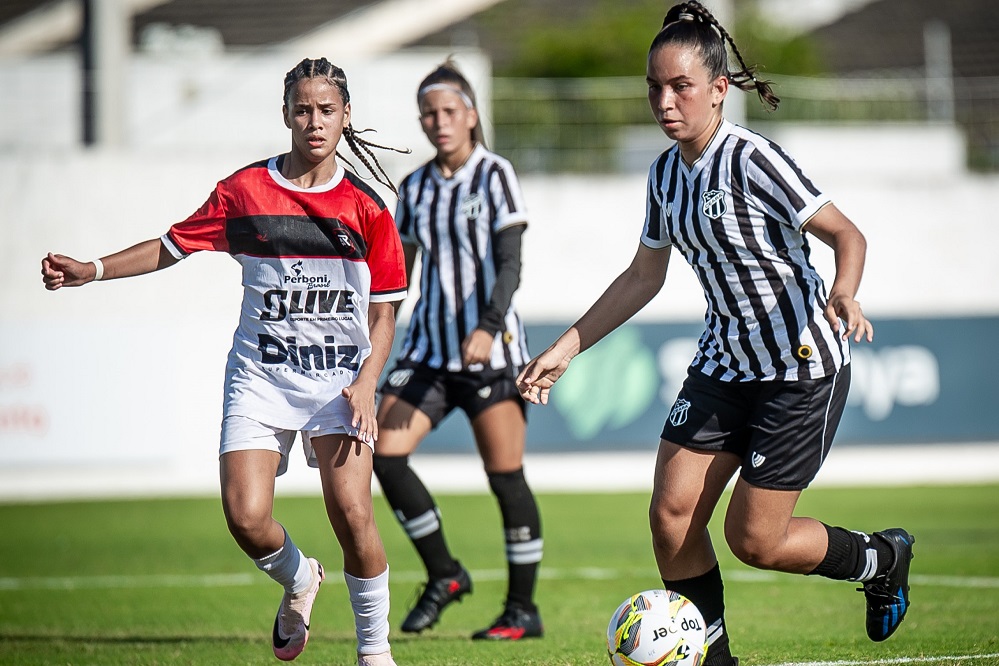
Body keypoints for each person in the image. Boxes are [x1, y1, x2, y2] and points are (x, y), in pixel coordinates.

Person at [516, 3, 914, 665]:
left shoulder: (754, 160)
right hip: (723, 365)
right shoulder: (664, 173)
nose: (664, 101)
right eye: (653, 87)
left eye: (680, 87)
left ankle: (880, 558)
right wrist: (565, 348)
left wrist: (843, 291)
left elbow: (846, 233)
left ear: (719, 89)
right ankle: (712, 659)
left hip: (799, 367)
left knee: (755, 542)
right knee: (670, 516)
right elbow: (643, 276)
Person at [41, 57, 408, 666]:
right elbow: (171, 246)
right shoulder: (245, 191)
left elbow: (384, 316)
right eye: (303, 109)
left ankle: (375, 654)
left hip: (340, 383)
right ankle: (299, 578)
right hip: (261, 377)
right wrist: (93, 270)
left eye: (327, 110)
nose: (314, 122)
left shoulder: (367, 210)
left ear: (346, 117)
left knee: (352, 514)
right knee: (245, 517)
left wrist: (368, 382)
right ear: (286, 114)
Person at [372, 58, 544, 641]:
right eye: (428, 113)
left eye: (448, 111)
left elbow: (509, 262)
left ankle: (522, 610)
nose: (438, 122)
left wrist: (488, 325)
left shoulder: (496, 174)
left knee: (505, 476)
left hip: (491, 355)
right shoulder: (416, 188)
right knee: (385, 454)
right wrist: (371, 339)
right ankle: (445, 574)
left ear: (471, 115)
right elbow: (398, 279)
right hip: (427, 354)